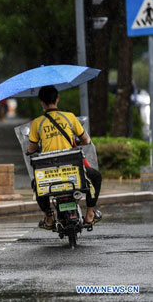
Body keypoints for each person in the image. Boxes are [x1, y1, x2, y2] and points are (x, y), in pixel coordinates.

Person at [26, 85, 102, 230]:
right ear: (57, 99)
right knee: (96, 176)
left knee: (36, 184)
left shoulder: (37, 123)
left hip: (49, 174)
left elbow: (32, 148)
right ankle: (90, 214)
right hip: (74, 171)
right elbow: (86, 140)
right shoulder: (70, 117)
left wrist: (28, 151)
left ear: (41, 102)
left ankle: (48, 218)